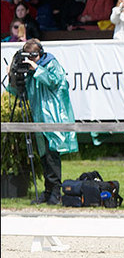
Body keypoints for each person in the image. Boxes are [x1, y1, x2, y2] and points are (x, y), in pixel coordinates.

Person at [8, 38, 78, 205]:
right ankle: (48, 191)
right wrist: (12, 74)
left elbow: (55, 82)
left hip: (53, 116)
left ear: (39, 55)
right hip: (39, 117)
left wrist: (37, 68)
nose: (30, 62)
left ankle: (56, 192)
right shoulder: (31, 70)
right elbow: (16, 90)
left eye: (33, 58)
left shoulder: (51, 63)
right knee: (44, 155)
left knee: (52, 154)